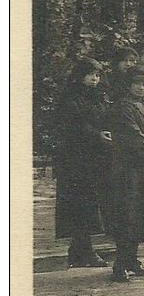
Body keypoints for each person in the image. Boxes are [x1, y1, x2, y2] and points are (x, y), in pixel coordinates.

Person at [102, 66, 144, 282]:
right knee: (128, 216)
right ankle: (120, 264)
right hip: (129, 170)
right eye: (137, 83)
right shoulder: (123, 107)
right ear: (128, 84)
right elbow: (134, 136)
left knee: (142, 215)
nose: (141, 88)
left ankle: (132, 259)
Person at [54, 57, 110, 268]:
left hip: (93, 159)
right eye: (91, 75)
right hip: (74, 160)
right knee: (78, 204)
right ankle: (83, 250)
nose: (95, 79)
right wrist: (97, 135)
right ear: (80, 75)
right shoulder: (70, 97)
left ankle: (79, 250)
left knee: (88, 204)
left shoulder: (97, 96)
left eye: (97, 75)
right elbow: (73, 127)